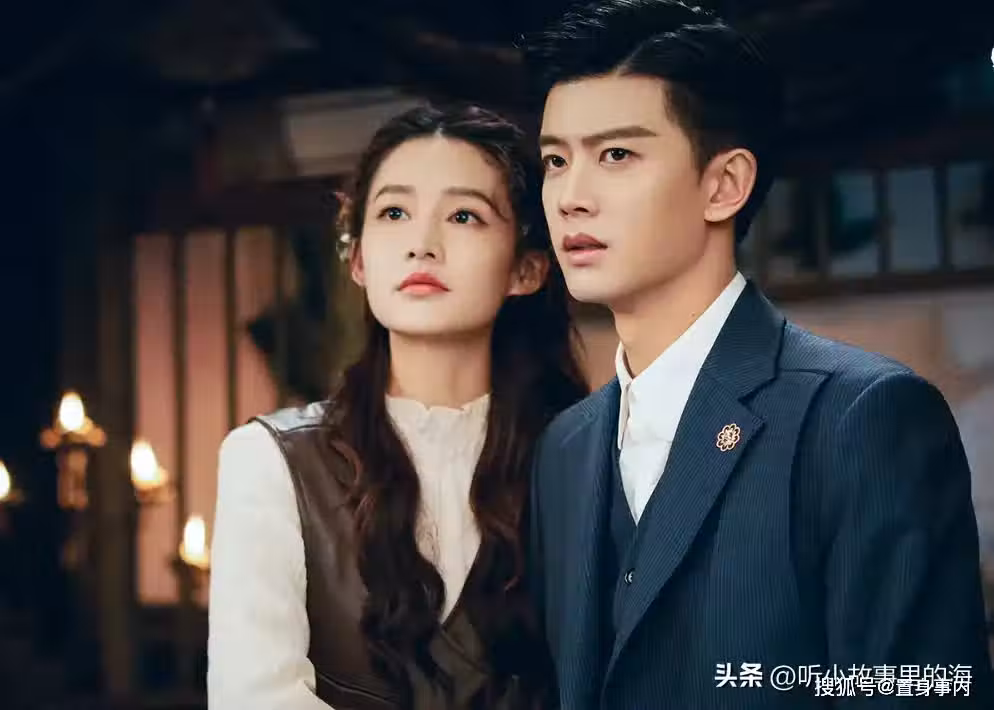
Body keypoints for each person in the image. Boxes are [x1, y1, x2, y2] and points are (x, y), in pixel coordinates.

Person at [522, 1, 994, 707]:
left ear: (725, 185)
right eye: (556, 161)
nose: (570, 197)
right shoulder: (565, 447)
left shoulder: (860, 416)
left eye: (616, 155)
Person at [207, 104, 588, 709]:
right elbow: (255, 697)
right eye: (393, 213)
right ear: (359, 259)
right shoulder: (271, 461)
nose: (422, 245)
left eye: (463, 216)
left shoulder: (589, 457)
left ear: (526, 268)